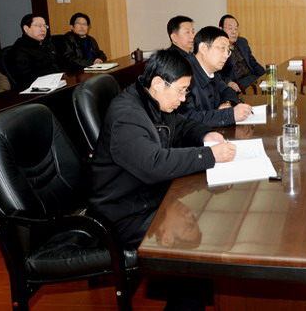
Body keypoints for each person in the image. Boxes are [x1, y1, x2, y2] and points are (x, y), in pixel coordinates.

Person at [89, 49, 236, 248]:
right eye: (181, 90)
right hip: (125, 215)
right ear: (158, 83)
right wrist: (208, 155)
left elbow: (181, 125)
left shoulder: (153, 100)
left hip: (149, 196)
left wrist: (205, 135)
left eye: (186, 91)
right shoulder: (126, 116)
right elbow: (155, 164)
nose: (183, 98)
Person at [176, 26, 253, 127]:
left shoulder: (214, 72)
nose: (226, 55)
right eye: (222, 48)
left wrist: (227, 104)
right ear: (203, 48)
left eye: (228, 50)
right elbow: (187, 118)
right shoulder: (183, 74)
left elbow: (228, 91)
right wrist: (228, 115)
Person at [9, 13, 64, 88]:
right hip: (37, 88)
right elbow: (26, 76)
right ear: (26, 28)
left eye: (45, 26)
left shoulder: (46, 44)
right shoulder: (19, 49)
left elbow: (60, 63)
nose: (43, 29)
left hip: (57, 82)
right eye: (39, 26)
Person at [218, 14, 265, 91]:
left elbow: (252, 62)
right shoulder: (216, 48)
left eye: (236, 28)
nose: (234, 32)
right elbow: (215, 73)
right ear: (220, 29)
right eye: (230, 28)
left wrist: (265, 75)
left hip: (252, 78)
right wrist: (228, 82)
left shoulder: (242, 42)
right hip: (236, 83)